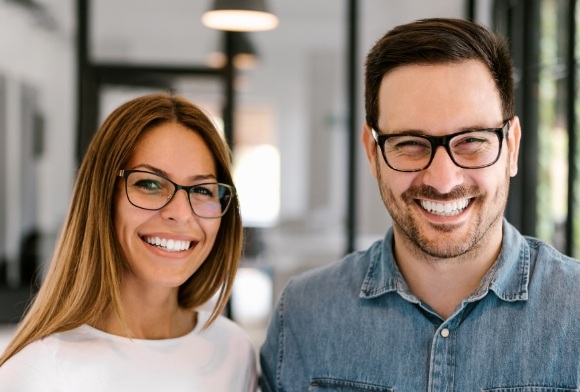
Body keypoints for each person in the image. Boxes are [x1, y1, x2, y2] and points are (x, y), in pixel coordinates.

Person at [260, 17, 580, 391]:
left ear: (511, 147)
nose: (443, 180)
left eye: (472, 141)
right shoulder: (304, 314)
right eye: (410, 143)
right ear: (371, 150)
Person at [0, 93, 257, 391]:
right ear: (102, 199)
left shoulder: (233, 350)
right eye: (149, 184)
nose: (181, 214)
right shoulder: (36, 371)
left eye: (202, 190)